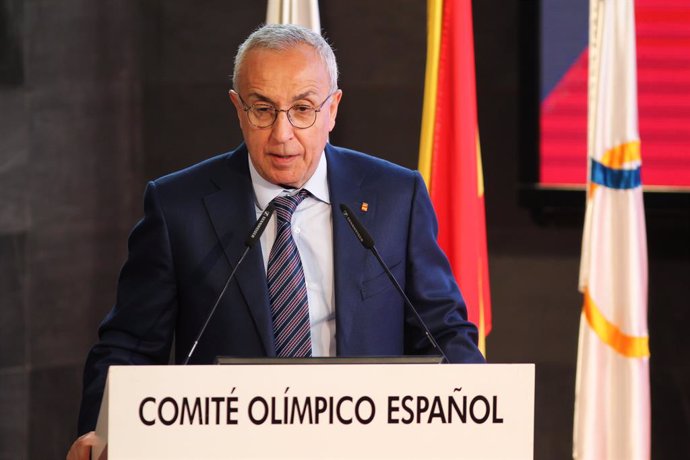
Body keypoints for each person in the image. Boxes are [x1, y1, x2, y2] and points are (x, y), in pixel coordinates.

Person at [66, 23, 485, 459]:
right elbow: (129, 345)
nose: (282, 134)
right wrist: (104, 431)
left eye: (302, 109)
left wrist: (481, 421)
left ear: (333, 108)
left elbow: (442, 332)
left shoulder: (395, 197)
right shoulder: (179, 207)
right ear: (237, 108)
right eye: (262, 109)